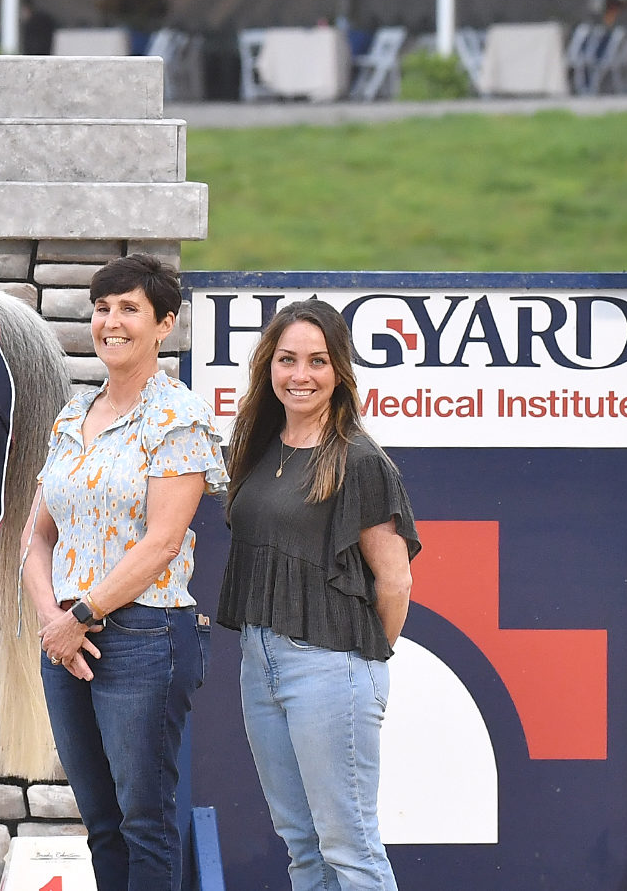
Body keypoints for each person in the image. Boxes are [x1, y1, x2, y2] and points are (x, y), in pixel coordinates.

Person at [19, 254, 227, 891]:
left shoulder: (180, 418)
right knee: (102, 822)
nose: (111, 322)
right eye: (102, 308)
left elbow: (163, 543)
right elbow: (36, 536)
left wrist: (80, 615)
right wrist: (55, 619)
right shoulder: (71, 417)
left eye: (129, 308)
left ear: (164, 324)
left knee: (145, 823)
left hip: (143, 637)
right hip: (68, 639)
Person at [216, 298, 417, 891]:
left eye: (317, 361)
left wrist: (357, 660)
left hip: (334, 669)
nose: (300, 375)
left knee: (349, 850)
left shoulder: (360, 460)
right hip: (261, 661)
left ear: (340, 372)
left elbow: (395, 580)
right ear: (268, 367)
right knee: (303, 847)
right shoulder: (258, 446)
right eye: (287, 360)